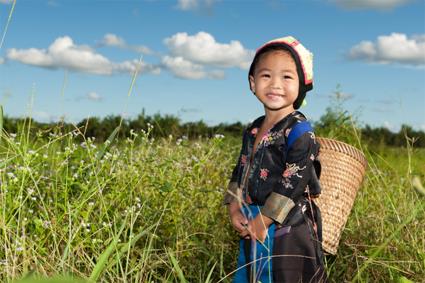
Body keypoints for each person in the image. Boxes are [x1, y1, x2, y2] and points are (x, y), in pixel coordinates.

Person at [224, 36, 327, 283]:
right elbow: (240, 169)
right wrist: (234, 206)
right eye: (266, 75)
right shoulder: (253, 129)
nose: (275, 84)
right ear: (252, 82)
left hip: (287, 223)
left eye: (287, 77)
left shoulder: (300, 131)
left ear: (301, 85)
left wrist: (265, 219)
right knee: (252, 274)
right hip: (253, 216)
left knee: (281, 274)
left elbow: (295, 180)